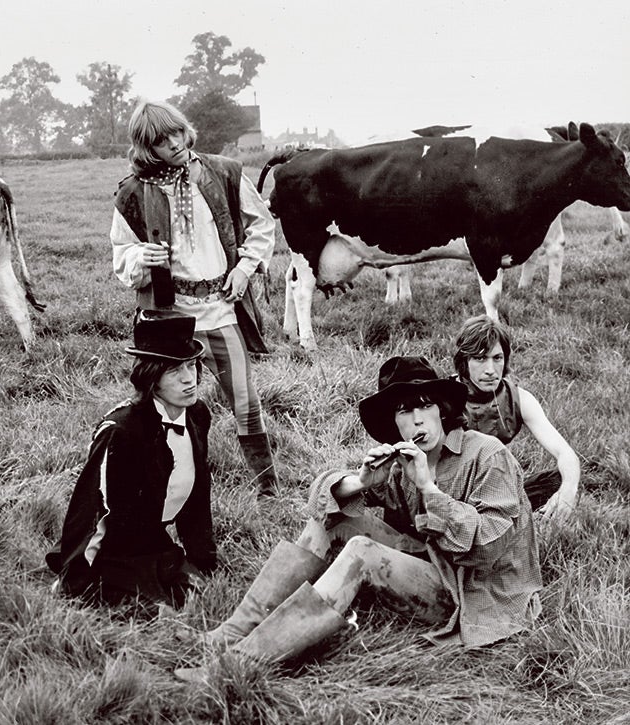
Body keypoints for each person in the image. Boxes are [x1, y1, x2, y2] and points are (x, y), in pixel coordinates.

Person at [176, 356, 541, 681]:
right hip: (428, 560)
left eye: (425, 406)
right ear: (393, 423)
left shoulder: (486, 454)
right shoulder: (403, 462)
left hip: (474, 590)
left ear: (442, 408)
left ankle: (239, 663)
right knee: (331, 520)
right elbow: (320, 503)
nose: (417, 419)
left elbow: (489, 547)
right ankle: (231, 632)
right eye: (404, 411)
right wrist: (360, 482)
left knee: (362, 551)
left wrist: (430, 489)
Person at [110, 98, 279, 497]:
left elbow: (262, 225)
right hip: (170, 316)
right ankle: (168, 480)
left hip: (220, 307)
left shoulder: (223, 172)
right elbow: (121, 252)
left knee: (245, 399)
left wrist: (243, 269)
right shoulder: (132, 193)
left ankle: (266, 486)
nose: (175, 143)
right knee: (167, 404)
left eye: (178, 132)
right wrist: (141, 256)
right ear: (146, 148)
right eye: (162, 140)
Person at [46, 309, 217, 611]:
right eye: (175, 371)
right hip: (114, 551)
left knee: (199, 594)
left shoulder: (198, 415)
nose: (189, 379)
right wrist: (75, 580)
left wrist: (203, 561)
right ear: (151, 376)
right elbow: (90, 511)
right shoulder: (121, 431)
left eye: (191, 366)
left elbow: (198, 498)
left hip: (154, 543)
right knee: (155, 612)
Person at [453, 315, 580, 521]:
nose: (490, 370)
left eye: (497, 358)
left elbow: (564, 452)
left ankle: (519, 519)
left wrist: (568, 491)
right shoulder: (444, 399)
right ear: (464, 361)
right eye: (480, 358)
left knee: (561, 480)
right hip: (455, 494)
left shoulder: (519, 398)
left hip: (498, 488)